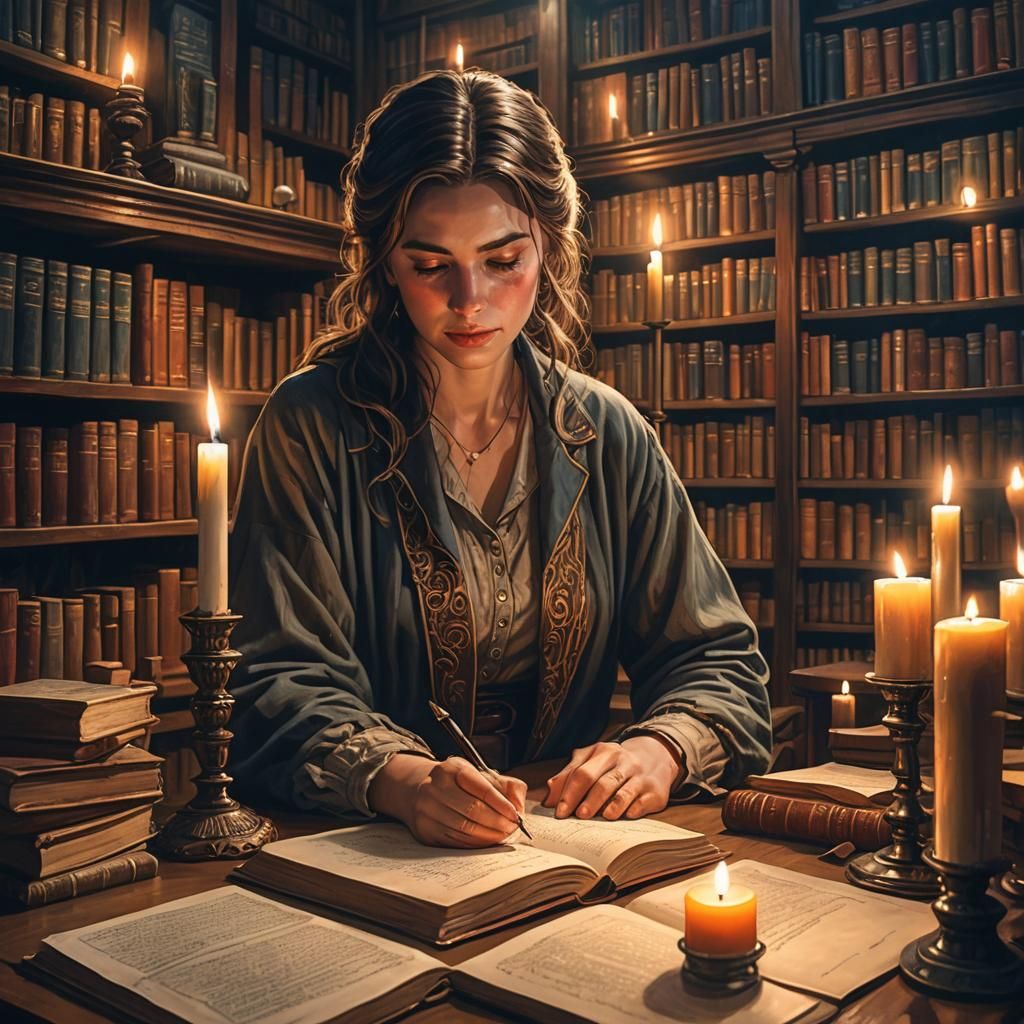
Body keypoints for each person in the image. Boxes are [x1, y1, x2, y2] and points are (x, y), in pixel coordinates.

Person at [227, 68, 771, 850]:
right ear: (384, 260)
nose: (470, 299)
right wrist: (403, 780)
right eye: (429, 264)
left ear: (547, 247)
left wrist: (660, 749)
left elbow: (717, 656)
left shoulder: (609, 433)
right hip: (360, 854)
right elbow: (275, 677)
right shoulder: (311, 425)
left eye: (503, 259)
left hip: (567, 848)